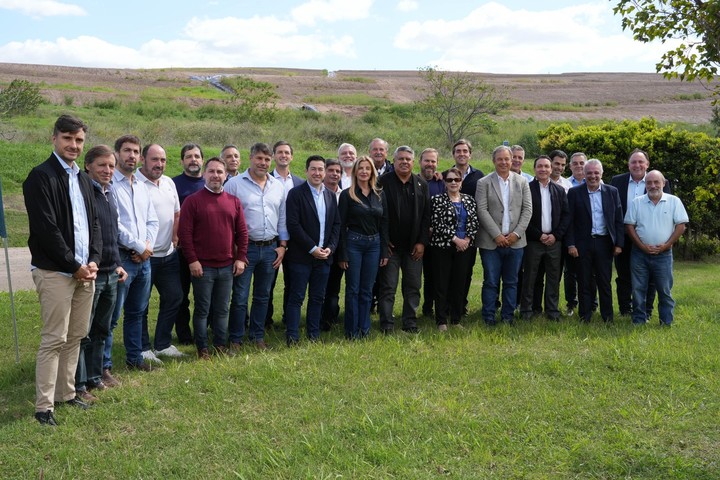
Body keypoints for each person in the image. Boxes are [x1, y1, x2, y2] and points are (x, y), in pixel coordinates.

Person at [24, 115, 102, 425]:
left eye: (79, 140)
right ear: (54, 138)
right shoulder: (40, 177)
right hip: (56, 272)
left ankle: (66, 394)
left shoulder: (83, 179)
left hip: (85, 271)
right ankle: (44, 407)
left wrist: (93, 259)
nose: (73, 145)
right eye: (67, 138)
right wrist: (73, 265)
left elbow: (93, 223)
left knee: (76, 336)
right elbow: (47, 229)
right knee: (54, 338)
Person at [178, 157, 248, 358]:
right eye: (211, 171)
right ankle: (203, 348)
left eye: (219, 172)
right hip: (202, 267)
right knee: (202, 310)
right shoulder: (193, 201)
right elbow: (185, 234)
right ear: (205, 174)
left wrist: (240, 257)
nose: (216, 175)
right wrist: (192, 260)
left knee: (222, 309)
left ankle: (220, 344)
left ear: (226, 175)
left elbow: (242, 233)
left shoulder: (233, 202)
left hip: (227, 266)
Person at [74, 145, 127, 403]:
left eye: (111, 166)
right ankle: (79, 383)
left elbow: (111, 233)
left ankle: (96, 377)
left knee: (102, 330)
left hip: (110, 272)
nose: (108, 170)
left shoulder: (109, 193)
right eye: (102, 165)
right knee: (83, 332)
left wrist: (117, 263)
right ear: (88, 166)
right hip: (91, 273)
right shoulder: (83, 192)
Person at [225, 142, 289, 349]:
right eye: (259, 158)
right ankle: (235, 338)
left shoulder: (277, 186)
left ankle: (257, 336)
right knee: (240, 296)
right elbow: (226, 218)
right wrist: (235, 250)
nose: (263, 163)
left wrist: (283, 246)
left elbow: (282, 218)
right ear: (251, 158)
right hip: (245, 249)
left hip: (271, 249)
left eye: (267, 159)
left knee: (263, 296)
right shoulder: (234, 185)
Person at [108, 135, 159, 372]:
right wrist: (140, 247)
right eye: (127, 150)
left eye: (136, 151)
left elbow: (152, 220)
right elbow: (114, 224)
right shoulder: (110, 184)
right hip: (123, 258)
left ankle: (134, 359)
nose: (132, 155)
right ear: (117, 153)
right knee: (112, 316)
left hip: (144, 261)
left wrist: (147, 246)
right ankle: (104, 366)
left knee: (137, 313)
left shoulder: (141, 186)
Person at [284, 155, 341, 345]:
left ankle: (313, 335)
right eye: (313, 169)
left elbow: (336, 225)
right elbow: (293, 225)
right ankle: (292, 336)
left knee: (317, 298)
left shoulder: (330, 195)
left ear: (325, 172)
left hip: (324, 258)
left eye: (320, 169)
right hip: (301, 256)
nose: (317, 173)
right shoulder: (296, 193)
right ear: (307, 171)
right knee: (296, 297)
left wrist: (330, 249)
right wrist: (312, 248)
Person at [476, 145, 532, 325]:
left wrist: (516, 234)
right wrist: (497, 235)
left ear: (512, 160)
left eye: (507, 159)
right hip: (491, 243)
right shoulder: (484, 183)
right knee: (491, 282)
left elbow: (527, 210)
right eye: (500, 159)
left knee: (511, 281)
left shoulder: (522, 182)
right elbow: (482, 210)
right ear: (494, 161)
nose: (504, 162)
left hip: (516, 242)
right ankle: (489, 317)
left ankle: (508, 317)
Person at [136, 144, 184, 359]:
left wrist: (174, 237)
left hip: (168, 255)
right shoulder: (134, 182)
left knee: (174, 297)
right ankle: (143, 347)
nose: (159, 164)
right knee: (141, 304)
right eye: (154, 159)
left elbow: (176, 213)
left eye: (163, 160)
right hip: (144, 257)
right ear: (143, 160)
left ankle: (163, 344)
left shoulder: (168, 183)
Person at [610, 148, 670, 317]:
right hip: (624, 238)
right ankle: (625, 309)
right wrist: (616, 240)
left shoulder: (657, 181)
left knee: (650, 278)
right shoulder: (617, 181)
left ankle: (647, 310)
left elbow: (666, 209)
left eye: (640, 162)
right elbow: (612, 211)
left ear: (647, 164)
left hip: (648, 239)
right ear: (628, 165)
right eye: (633, 162)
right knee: (623, 276)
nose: (637, 165)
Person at [377, 146, 431, 334]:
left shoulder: (421, 184)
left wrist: (422, 242)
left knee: (413, 286)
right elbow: (378, 215)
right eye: (400, 159)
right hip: (391, 248)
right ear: (394, 161)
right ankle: (386, 324)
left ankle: (410, 322)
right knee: (388, 287)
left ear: (413, 162)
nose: (404, 162)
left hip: (413, 247)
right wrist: (384, 242)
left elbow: (426, 217)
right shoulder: (382, 182)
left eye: (408, 159)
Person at [624, 170, 688, 326]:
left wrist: (667, 245)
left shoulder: (674, 201)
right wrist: (642, 246)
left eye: (656, 182)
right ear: (645, 185)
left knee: (664, 291)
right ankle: (638, 320)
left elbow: (681, 225)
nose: (652, 185)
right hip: (639, 253)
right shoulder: (637, 202)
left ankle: (666, 322)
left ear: (663, 183)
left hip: (664, 254)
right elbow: (629, 226)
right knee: (638, 289)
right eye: (649, 182)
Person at [566, 159, 624, 323]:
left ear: (601, 174)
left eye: (596, 173)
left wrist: (619, 244)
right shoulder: (575, 193)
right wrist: (571, 244)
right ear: (584, 174)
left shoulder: (612, 192)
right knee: (584, 281)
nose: (593, 176)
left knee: (604, 281)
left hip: (604, 243)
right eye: (589, 173)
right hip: (582, 244)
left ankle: (607, 317)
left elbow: (618, 219)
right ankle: (585, 316)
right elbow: (569, 222)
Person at [338, 156, 389, 339]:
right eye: (361, 168)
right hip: (354, 243)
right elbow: (341, 226)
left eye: (368, 168)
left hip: (374, 245)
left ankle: (364, 329)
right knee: (353, 289)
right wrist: (342, 253)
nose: (364, 171)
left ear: (372, 172)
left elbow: (384, 223)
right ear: (355, 171)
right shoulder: (347, 194)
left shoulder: (379, 194)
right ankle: (352, 331)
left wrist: (384, 250)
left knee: (367, 289)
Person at [520, 156, 570, 320]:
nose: (543, 169)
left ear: (551, 169)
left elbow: (566, 216)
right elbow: (524, 216)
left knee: (554, 277)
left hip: (554, 242)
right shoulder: (526, 189)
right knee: (531, 277)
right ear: (534, 169)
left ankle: (552, 310)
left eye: (546, 166)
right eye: (539, 166)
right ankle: (527, 310)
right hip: (534, 241)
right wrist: (539, 235)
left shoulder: (559, 190)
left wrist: (555, 236)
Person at [429, 168, 479, 330]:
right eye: (449, 180)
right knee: (442, 284)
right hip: (443, 247)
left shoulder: (469, 200)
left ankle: (456, 319)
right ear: (444, 182)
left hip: (465, 248)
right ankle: (441, 320)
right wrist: (456, 239)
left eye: (456, 180)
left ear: (461, 182)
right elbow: (437, 223)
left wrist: (466, 240)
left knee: (459, 283)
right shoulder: (437, 200)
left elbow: (474, 222)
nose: (453, 183)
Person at [266, 140, 303, 329]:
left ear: (292, 156)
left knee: (293, 281)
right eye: (279, 152)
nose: (283, 155)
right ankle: (266, 320)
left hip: (296, 241)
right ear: (274, 156)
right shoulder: (267, 180)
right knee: (268, 283)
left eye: (287, 152)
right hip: (273, 240)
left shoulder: (300, 182)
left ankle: (289, 318)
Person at [173, 143, 206, 345]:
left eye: (196, 156)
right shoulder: (173, 184)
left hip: (207, 250)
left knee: (205, 296)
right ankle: (184, 335)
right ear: (182, 161)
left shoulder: (210, 182)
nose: (193, 160)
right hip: (181, 250)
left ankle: (205, 331)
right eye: (188, 156)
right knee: (181, 295)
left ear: (202, 159)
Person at [418, 147, 446, 318]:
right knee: (412, 277)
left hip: (436, 238)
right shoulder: (413, 180)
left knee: (433, 274)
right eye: (427, 160)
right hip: (415, 237)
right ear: (420, 162)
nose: (430, 164)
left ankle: (429, 307)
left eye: (433, 161)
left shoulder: (441, 183)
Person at [563, 151, 590, 316]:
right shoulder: (565, 184)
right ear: (570, 166)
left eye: (582, 163)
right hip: (571, 234)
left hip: (589, 236)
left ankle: (591, 303)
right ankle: (571, 303)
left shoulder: (596, 181)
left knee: (590, 272)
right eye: (575, 163)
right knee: (570, 272)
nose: (579, 166)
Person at [320, 158, 345, 331]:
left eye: (338, 171)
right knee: (319, 287)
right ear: (324, 172)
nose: (334, 174)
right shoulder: (317, 193)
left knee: (333, 287)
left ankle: (330, 318)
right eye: (331, 170)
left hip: (339, 248)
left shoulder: (345, 195)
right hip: (319, 248)